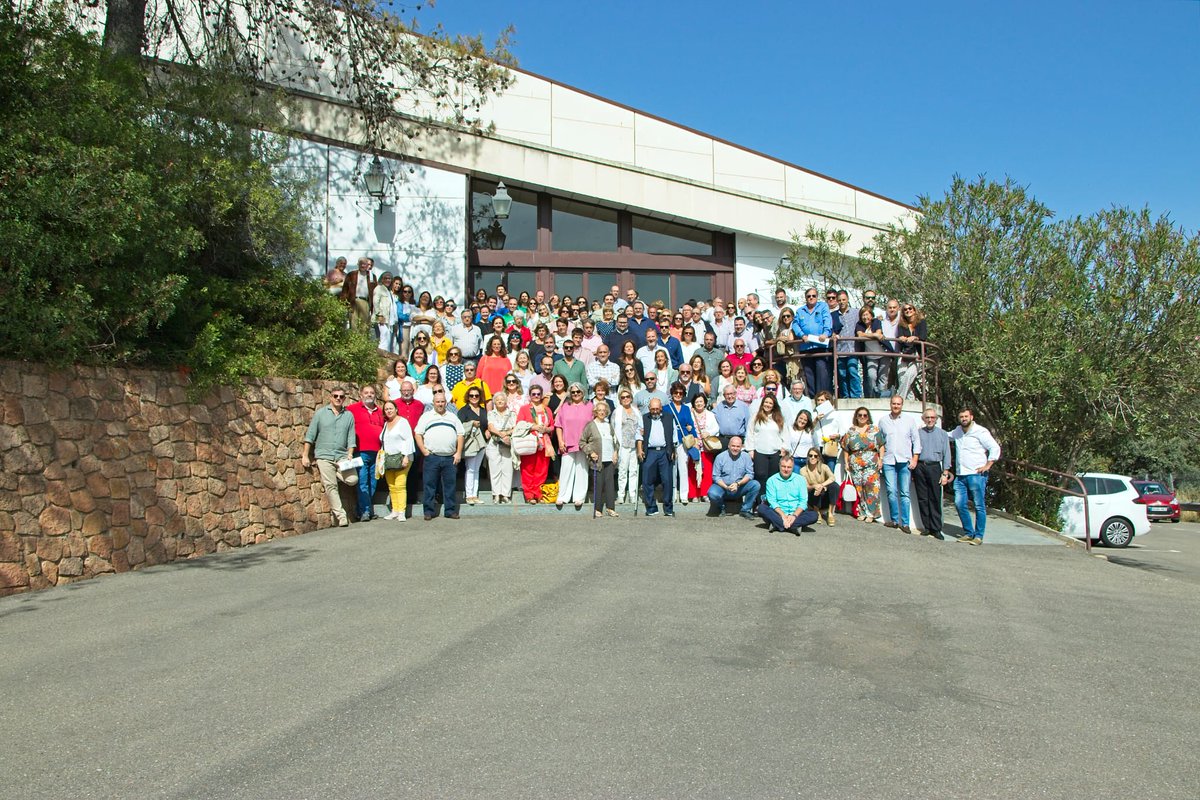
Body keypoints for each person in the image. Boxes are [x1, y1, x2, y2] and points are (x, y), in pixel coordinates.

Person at [301, 386, 358, 527]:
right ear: (330, 397)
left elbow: (351, 438)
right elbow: (310, 435)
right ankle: (341, 515)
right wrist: (305, 455)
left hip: (341, 456)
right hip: (324, 455)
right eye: (335, 396)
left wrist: (350, 453)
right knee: (330, 486)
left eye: (341, 396)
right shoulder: (320, 414)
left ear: (344, 399)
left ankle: (336, 473)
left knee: (353, 479)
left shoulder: (348, 416)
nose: (338, 398)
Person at [950, 408, 1001, 545]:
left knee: (979, 506)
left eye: (966, 416)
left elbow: (995, 448)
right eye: (961, 417)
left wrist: (988, 466)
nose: (964, 419)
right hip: (960, 475)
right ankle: (968, 533)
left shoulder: (981, 431)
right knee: (959, 504)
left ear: (971, 417)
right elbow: (945, 436)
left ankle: (978, 536)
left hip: (976, 475)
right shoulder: (957, 431)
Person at [414, 387, 464, 520]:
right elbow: (418, 433)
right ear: (433, 402)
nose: (440, 404)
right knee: (429, 485)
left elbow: (460, 435)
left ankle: (450, 511)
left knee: (450, 486)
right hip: (432, 457)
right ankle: (429, 511)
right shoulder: (426, 416)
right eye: (438, 402)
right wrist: (424, 451)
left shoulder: (453, 417)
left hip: (450, 458)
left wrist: (458, 453)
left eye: (442, 401)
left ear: (446, 402)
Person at [878, 394, 921, 532]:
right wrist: (880, 458)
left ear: (902, 405)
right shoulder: (883, 421)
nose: (896, 406)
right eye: (893, 403)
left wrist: (915, 458)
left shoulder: (909, 421)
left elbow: (916, 441)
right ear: (890, 404)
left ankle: (905, 523)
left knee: (905, 493)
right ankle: (894, 520)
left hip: (905, 461)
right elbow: (880, 442)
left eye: (898, 404)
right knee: (891, 491)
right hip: (889, 461)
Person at [840, 407, 886, 524]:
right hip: (855, 463)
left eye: (865, 415)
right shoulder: (850, 432)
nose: (862, 417)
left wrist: (881, 459)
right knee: (859, 488)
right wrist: (846, 463)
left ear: (868, 417)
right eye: (860, 415)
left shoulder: (874, 430)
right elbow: (846, 449)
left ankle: (872, 513)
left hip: (871, 462)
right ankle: (862, 512)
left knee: (871, 487)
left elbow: (881, 445)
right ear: (856, 416)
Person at [346, 384, 385, 522]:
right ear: (361, 395)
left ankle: (364, 509)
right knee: (362, 482)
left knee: (373, 483)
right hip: (360, 452)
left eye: (372, 393)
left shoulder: (380, 411)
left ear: (375, 395)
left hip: (378, 453)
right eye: (366, 393)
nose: (369, 395)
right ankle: (365, 512)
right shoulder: (352, 410)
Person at [554, 382, 594, 510]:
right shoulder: (565, 406)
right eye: (573, 392)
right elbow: (558, 425)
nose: (576, 394)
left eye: (578, 392)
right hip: (567, 443)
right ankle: (563, 496)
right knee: (566, 469)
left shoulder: (589, 406)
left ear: (583, 393)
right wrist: (560, 441)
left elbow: (594, 425)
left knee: (582, 470)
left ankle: (579, 497)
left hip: (584, 443)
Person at [914, 408, 953, 539]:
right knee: (922, 497)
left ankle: (936, 528)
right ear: (923, 419)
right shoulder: (918, 433)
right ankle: (927, 527)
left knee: (935, 498)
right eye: (927, 417)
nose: (930, 420)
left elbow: (947, 454)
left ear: (936, 419)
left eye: (932, 417)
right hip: (920, 466)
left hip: (935, 467)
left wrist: (945, 473)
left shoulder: (942, 434)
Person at [757, 454, 819, 535]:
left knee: (814, 515)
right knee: (761, 508)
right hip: (778, 513)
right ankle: (794, 527)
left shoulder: (800, 480)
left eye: (789, 467)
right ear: (779, 466)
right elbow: (772, 501)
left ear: (793, 467)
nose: (786, 469)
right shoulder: (771, 480)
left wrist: (794, 516)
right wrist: (783, 516)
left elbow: (803, 501)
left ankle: (778, 525)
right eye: (783, 466)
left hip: (796, 513)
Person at [579, 401, 620, 518]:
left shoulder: (608, 425)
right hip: (598, 460)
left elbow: (616, 441)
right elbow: (582, 442)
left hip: (609, 459)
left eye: (604, 410)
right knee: (598, 484)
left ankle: (610, 508)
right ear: (595, 412)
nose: (602, 412)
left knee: (610, 485)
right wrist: (590, 452)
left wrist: (616, 452)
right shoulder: (590, 425)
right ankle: (597, 509)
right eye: (599, 410)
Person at [637, 398, 676, 517]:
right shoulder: (644, 418)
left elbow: (674, 435)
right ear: (649, 409)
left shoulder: (669, 418)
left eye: (657, 409)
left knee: (667, 480)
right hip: (650, 452)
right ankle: (651, 507)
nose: (655, 411)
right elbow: (639, 435)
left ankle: (668, 508)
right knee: (647, 480)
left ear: (661, 408)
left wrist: (673, 450)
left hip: (665, 451)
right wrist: (639, 450)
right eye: (652, 409)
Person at [516, 385, 555, 504]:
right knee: (528, 468)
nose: (536, 396)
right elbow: (519, 424)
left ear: (541, 395)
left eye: (538, 394)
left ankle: (538, 493)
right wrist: (534, 427)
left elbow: (552, 425)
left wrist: (546, 430)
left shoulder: (547, 409)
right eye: (534, 394)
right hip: (530, 441)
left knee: (542, 469)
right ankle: (529, 495)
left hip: (545, 442)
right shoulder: (524, 409)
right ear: (530, 396)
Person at [791, 287, 833, 396]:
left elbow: (827, 320)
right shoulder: (800, 311)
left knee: (822, 373)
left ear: (817, 297)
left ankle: (822, 398)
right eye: (809, 296)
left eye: (813, 296)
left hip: (821, 346)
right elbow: (795, 324)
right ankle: (813, 398)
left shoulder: (823, 306)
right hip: (806, 348)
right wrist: (802, 335)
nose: (811, 298)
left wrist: (826, 333)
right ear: (806, 298)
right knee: (809, 375)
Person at [378, 400, 415, 520]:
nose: (389, 411)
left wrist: (405, 456)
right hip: (388, 459)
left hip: (402, 458)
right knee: (391, 486)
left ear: (396, 409)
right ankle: (394, 510)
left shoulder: (402, 422)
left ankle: (401, 512)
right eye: (386, 409)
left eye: (391, 408)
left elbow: (408, 439)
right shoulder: (386, 424)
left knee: (400, 485)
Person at [706, 436, 760, 519]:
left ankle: (745, 510)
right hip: (723, 487)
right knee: (712, 493)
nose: (735, 448)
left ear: (742, 447)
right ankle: (721, 507)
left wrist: (738, 484)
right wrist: (726, 487)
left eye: (738, 446)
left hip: (739, 486)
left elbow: (750, 474)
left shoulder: (746, 457)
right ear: (728, 446)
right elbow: (716, 476)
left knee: (755, 485)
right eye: (733, 446)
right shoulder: (720, 457)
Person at [664, 381, 699, 506]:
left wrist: (694, 438)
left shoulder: (686, 408)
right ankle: (673, 494)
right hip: (671, 440)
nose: (678, 395)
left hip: (684, 441)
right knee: (672, 468)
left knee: (683, 467)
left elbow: (691, 424)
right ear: (672, 394)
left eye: (680, 393)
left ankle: (684, 494)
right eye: (675, 393)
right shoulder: (666, 408)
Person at [745, 392, 785, 489]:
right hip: (759, 451)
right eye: (766, 402)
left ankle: (771, 500)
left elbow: (785, 434)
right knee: (760, 475)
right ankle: (760, 500)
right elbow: (750, 433)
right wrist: (750, 449)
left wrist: (784, 448)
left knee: (773, 477)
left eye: (770, 403)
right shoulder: (755, 417)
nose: (767, 405)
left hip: (775, 452)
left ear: (774, 405)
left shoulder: (779, 418)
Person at [458, 386, 489, 505]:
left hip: (481, 443)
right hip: (470, 443)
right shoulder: (463, 410)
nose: (474, 398)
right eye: (471, 396)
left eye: (476, 395)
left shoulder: (483, 410)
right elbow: (460, 426)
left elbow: (487, 424)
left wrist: (487, 430)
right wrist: (471, 423)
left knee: (476, 469)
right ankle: (469, 495)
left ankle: (474, 494)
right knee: (470, 469)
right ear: (468, 397)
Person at [485, 390, 517, 504]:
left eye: (502, 400)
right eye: (497, 400)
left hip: (507, 443)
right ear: (494, 402)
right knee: (495, 469)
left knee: (507, 470)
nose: (500, 401)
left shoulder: (512, 413)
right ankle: (496, 494)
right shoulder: (491, 413)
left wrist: (507, 434)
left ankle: (505, 495)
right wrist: (501, 434)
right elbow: (491, 427)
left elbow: (515, 427)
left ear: (506, 401)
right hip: (494, 443)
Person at [613, 388, 642, 505]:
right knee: (623, 471)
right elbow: (613, 428)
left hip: (634, 445)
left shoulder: (636, 411)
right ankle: (621, 495)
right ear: (620, 399)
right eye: (623, 397)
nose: (625, 399)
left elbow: (641, 427)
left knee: (634, 471)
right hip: (623, 444)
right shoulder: (617, 412)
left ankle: (632, 494)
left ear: (631, 398)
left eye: (627, 397)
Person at [688, 393, 718, 502]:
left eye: (701, 401)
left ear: (705, 403)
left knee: (707, 470)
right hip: (694, 445)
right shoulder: (690, 414)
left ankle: (705, 493)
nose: (699, 404)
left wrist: (709, 432)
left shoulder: (710, 414)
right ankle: (693, 494)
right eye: (697, 402)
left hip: (706, 446)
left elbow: (716, 428)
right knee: (693, 470)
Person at [896, 304, 929, 400]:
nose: (908, 311)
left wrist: (915, 337)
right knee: (902, 378)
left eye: (910, 308)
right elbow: (900, 336)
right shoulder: (902, 324)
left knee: (908, 375)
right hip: (904, 354)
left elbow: (923, 336)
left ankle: (898, 400)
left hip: (917, 354)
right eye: (905, 309)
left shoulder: (921, 322)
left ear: (914, 310)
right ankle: (910, 400)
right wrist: (901, 338)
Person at [799, 447, 837, 526]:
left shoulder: (824, 467)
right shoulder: (803, 470)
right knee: (815, 489)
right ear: (808, 457)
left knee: (834, 486)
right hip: (811, 495)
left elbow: (832, 478)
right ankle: (816, 511)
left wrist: (821, 485)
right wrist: (814, 486)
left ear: (819, 458)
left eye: (815, 456)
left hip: (823, 494)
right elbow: (806, 487)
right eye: (811, 455)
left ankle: (830, 513)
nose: (813, 458)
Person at [854, 307, 886, 398]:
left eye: (867, 314)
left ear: (871, 315)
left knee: (883, 378)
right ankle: (873, 397)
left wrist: (872, 335)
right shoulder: (859, 325)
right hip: (870, 356)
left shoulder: (876, 322)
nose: (865, 317)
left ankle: (882, 398)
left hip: (883, 353)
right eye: (863, 315)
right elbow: (860, 336)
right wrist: (874, 335)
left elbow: (879, 334)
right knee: (871, 376)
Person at [339, 257, 376, 332]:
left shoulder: (372, 276)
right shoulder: (351, 275)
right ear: (358, 264)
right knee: (353, 326)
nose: (363, 266)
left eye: (364, 264)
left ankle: (363, 343)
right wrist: (343, 304)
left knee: (364, 327)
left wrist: (373, 308)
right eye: (361, 264)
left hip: (365, 302)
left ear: (367, 265)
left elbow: (374, 292)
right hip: (353, 302)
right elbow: (345, 290)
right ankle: (353, 343)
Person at [813, 390, 842, 473]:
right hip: (817, 447)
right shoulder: (814, 414)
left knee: (830, 472)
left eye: (822, 400)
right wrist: (815, 420)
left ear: (828, 401)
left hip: (830, 446)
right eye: (818, 400)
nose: (820, 402)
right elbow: (809, 430)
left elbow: (843, 431)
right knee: (817, 473)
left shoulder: (836, 414)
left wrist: (837, 435)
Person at [373, 273, 399, 353]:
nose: (388, 280)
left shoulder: (388, 291)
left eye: (389, 278)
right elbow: (375, 302)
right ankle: (382, 358)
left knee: (387, 339)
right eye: (385, 278)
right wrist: (379, 315)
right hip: (382, 318)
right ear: (382, 279)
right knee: (383, 339)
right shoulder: (379, 288)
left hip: (388, 319)